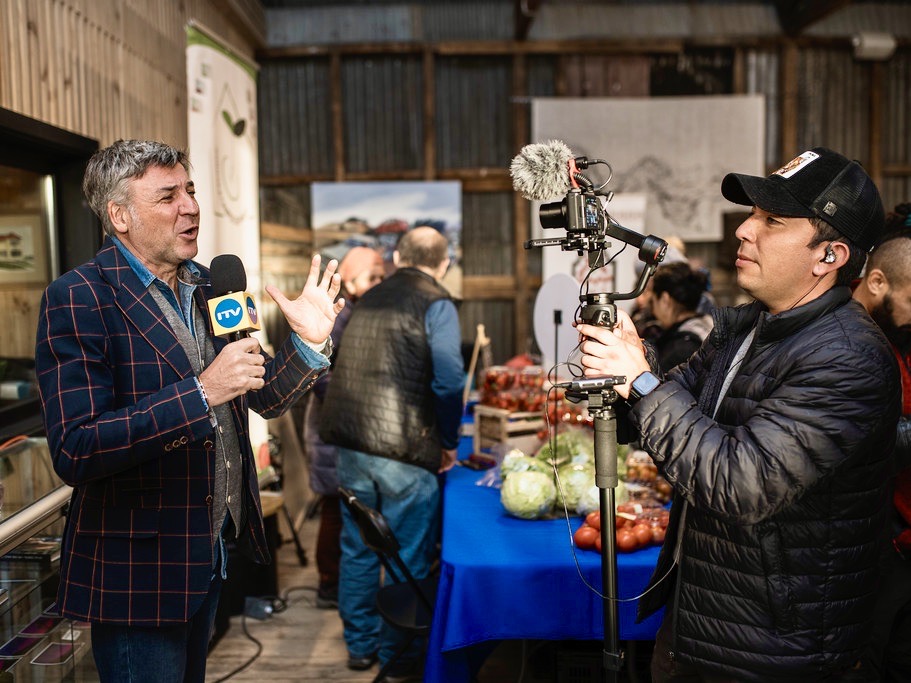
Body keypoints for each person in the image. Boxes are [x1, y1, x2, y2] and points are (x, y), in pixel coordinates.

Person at [576, 147, 900, 682]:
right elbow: (665, 410)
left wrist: (641, 381)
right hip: (702, 621)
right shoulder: (748, 328)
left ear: (830, 255)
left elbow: (741, 483)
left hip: (774, 650)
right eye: (752, 214)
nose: (744, 230)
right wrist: (627, 364)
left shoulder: (848, 358)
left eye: (772, 220)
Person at [34, 139, 343, 683]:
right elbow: (77, 447)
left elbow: (262, 395)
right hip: (138, 571)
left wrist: (309, 345)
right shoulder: (79, 297)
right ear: (120, 216)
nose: (191, 206)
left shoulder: (210, 285)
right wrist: (200, 393)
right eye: (168, 196)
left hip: (210, 550)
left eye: (191, 190)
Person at [319, 226, 465, 677]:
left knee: (358, 549)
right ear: (444, 264)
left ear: (398, 258)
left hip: (353, 444)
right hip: (405, 449)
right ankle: (397, 656)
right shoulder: (437, 302)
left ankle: (360, 646)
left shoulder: (368, 299)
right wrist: (448, 441)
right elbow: (450, 381)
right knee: (409, 554)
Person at [301, 245, 384, 609]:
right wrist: (363, 392)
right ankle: (328, 584)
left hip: (347, 424)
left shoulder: (361, 310)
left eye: (382, 276)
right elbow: (319, 374)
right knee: (336, 508)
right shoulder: (339, 313)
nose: (379, 283)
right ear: (349, 279)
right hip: (331, 426)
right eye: (372, 277)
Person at [847, 206, 911, 682]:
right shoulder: (847, 342)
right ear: (877, 282)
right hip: (868, 546)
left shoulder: (895, 334)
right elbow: (864, 442)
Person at [649, 261, 713, 372]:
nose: (653, 310)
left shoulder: (679, 352)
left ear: (665, 300)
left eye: (652, 301)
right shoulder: (710, 329)